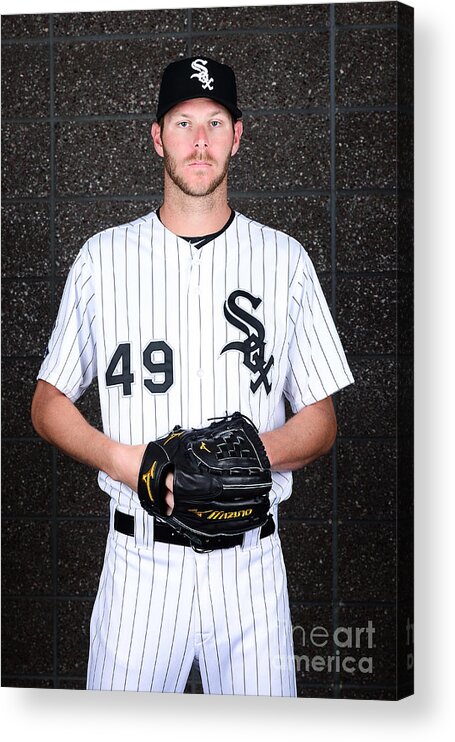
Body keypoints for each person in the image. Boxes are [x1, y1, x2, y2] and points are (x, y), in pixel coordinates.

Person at [31, 57, 354, 696]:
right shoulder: (102, 259)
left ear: (239, 135)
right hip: (139, 567)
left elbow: (321, 423)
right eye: (183, 123)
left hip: (251, 569)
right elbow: (47, 405)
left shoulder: (285, 261)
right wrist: (132, 462)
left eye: (215, 121)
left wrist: (243, 457)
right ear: (158, 137)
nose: (199, 140)